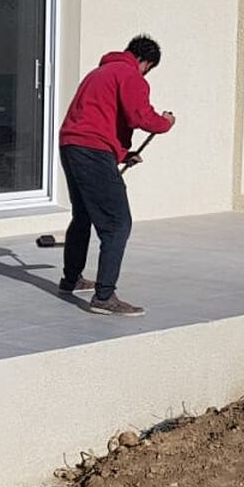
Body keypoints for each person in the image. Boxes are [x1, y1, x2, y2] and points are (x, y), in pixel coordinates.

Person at [56, 35, 175, 315]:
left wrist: (122, 155)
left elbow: (98, 119)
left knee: (83, 215)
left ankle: (71, 280)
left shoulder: (99, 74)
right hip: (92, 151)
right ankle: (104, 297)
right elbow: (140, 117)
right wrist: (166, 122)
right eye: (148, 69)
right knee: (117, 224)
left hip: (72, 146)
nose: (145, 74)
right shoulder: (130, 75)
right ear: (145, 62)